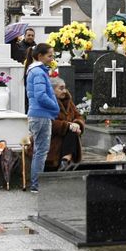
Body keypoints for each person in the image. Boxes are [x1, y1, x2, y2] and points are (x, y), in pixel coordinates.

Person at [24, 43, 59, 193]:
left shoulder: (34, 71)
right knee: (41, 152)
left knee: (39, 151)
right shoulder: (38, 72)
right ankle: (36, 185)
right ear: (40, 56)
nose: (52, 59)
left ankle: (36, 184)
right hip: (41, 115)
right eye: (49, 55)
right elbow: (41, 96)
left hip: (37, 115)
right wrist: (55, 106)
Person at [47, 77, 84, 171]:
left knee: (73, 130)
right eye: (61, 88)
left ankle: (65, 160)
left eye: (65, 88)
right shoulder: (48, 102)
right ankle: (65, 161)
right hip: (52, 139)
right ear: (52, 89)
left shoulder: (68, 102)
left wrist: (77, 124)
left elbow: (78, 116)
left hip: (68, 137)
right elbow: (48, 123)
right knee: (72, 130)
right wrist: (68, 125)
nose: (64, 91)